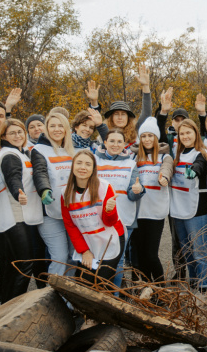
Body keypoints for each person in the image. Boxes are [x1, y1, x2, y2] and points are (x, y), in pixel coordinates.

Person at [0, 119, 42, 302]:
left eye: (20, 132)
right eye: (12, 133)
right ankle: (14, 306)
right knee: (25, 263)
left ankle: (5, 301)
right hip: (16, 213)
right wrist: (18, 193)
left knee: (14, 263)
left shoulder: (21, 153)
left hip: (21, 213)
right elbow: (13, 177)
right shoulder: (9, 155)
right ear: (3, 136)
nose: (17, 136)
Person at [61, 149, 125, 287]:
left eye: (88, 164)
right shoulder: (65, 193)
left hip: (110, 239)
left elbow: (110, 222)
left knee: (101, 283)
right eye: (79, 163)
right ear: (72, 166)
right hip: (87, 242)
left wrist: (109, 210)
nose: (83, 167)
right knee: (84, 282)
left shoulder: (104, 187)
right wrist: (84, 251)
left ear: (93, 169)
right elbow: (70, 224)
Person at [126, 118, 174, 285]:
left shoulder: (164, 156)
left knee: (151, 254)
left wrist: (164, 178)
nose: (147, 139)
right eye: (144, 136)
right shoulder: (133, 157)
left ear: (156, 138)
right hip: (137, 211)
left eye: (150, 136)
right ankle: (148, 288)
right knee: (140, 254)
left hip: (155, 211)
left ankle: (161, 288)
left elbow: (167, 169)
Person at [31, 112, 75, 278]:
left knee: (73, 256)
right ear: (47, 129)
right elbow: (39, 172)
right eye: (52, 126)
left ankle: (68, 300)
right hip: (50, 212)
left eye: (60, 125)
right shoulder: (39, 150)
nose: (57, 129)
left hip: (72, 212)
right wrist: (44, 190)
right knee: (59, 257)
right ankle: (53, 298)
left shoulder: (71, 151)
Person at [169, 119, 207, 291]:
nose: (186, 136)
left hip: (196, 208)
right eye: (182, 133)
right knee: (186, 250)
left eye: (189, 132)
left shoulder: (201, 153)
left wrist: (194, 170)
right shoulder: (175, 154)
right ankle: (193, 281)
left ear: (196, 134)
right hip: (177, 207)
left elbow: (200, 165)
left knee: (199, 250)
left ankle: (204, 284)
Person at [95, 129, 138, 288]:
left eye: (119, 142)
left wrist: (137, 191)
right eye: (111, 141)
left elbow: (133, 194)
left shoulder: (131, 164)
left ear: (125, 144)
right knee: (98, 257)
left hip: (123, 219)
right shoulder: (94, 161)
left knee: (118, 260)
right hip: (97, 218)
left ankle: (115, 296)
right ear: (105, 143)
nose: (115, 144)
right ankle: (98, 294)